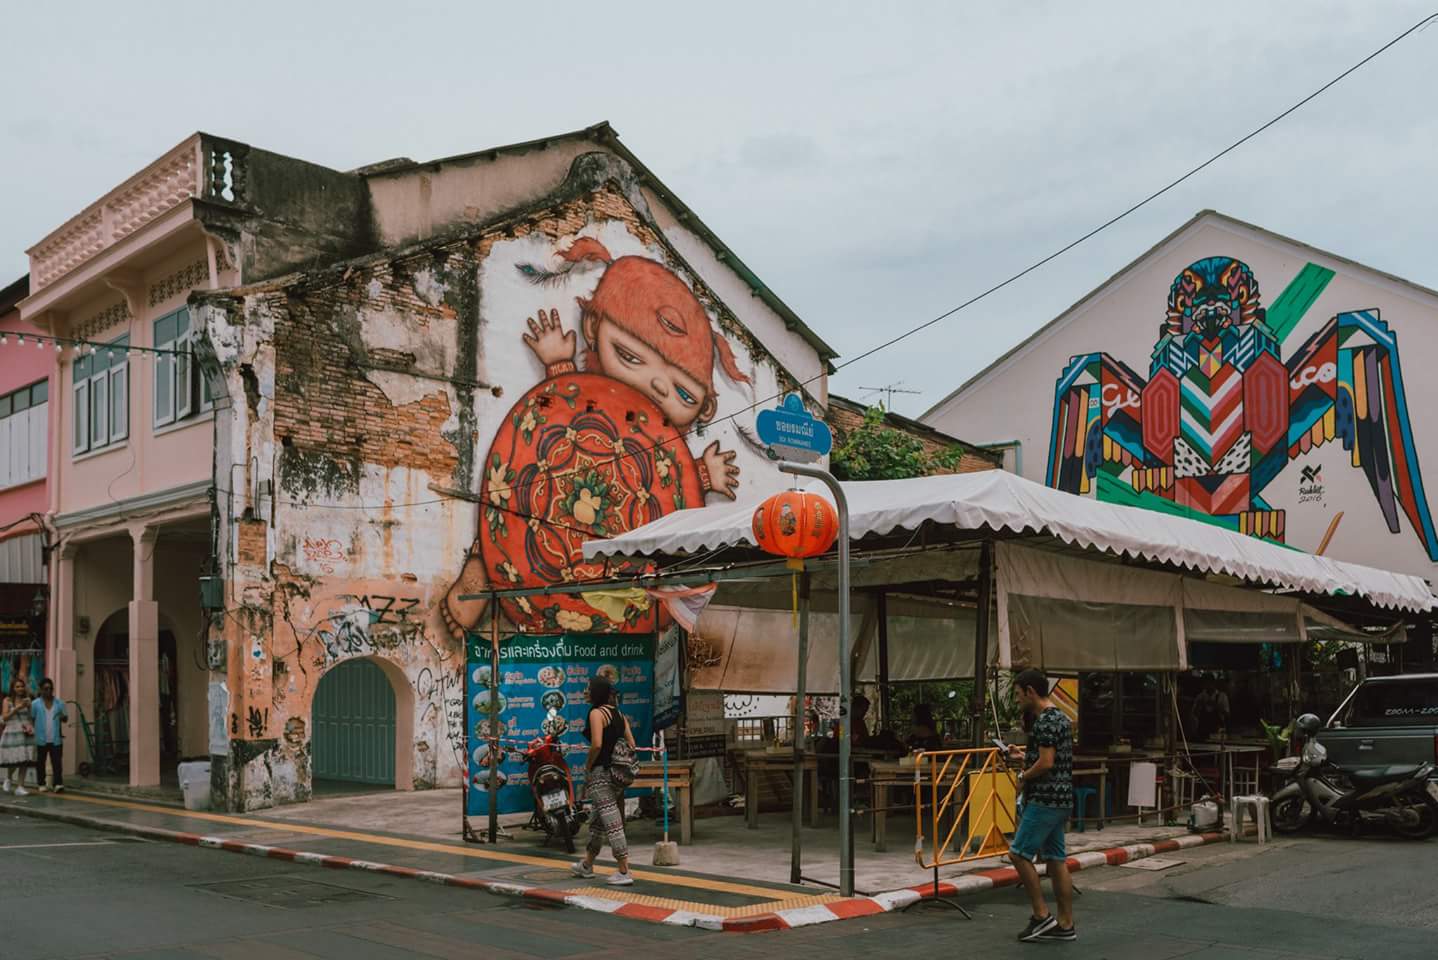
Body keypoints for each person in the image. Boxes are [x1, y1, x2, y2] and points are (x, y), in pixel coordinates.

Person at [1006, 668, 1076, 943]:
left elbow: (1046, 764)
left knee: (1019, 854)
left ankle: (1041, 915)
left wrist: (1023, 776)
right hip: (1060, 799)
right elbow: (1049, 757)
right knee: (1057, 860)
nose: (1016, 700)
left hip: (1044, 799)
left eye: (1017, 694)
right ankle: (1066, 923)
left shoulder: (1045, 722)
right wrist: (1023, 754)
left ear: (1030, 691)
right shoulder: (1060, 717)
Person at [571, 676, 636, 886]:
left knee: (612, 821)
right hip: (617, 775)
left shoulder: (596, 713)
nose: (584, 692)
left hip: (601, 773)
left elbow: (597, 744)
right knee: (598, 821)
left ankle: (624, 870)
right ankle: (587, 865)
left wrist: (588, 766)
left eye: (588, 689)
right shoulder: (619, 714)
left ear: (597, 692)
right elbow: (632, 744)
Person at [30, 678, 67, 793]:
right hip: (41, 738)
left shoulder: (59, 703)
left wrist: (62, 716)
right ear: (41, 690)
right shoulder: (35, 704)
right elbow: (31, 718)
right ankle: (41, 783)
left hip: (56, 739)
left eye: (51, 688)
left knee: (57, 762)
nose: (49, 691)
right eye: (46, 689)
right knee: (40, 762)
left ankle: (58, 784)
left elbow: (65, 718)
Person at [1, 677, 35, 795]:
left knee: (24, 760)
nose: (20, 688)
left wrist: (30, 707)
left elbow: (31, 718)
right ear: (13, 688)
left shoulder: (27, 700)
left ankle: (20, 786)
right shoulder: (7, 700)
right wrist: (18, 708)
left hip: (25, 732)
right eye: (17, 686)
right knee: (14, 760)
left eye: (22, 686)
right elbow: (4, 717)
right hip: (12, 732)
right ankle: (9, 778)